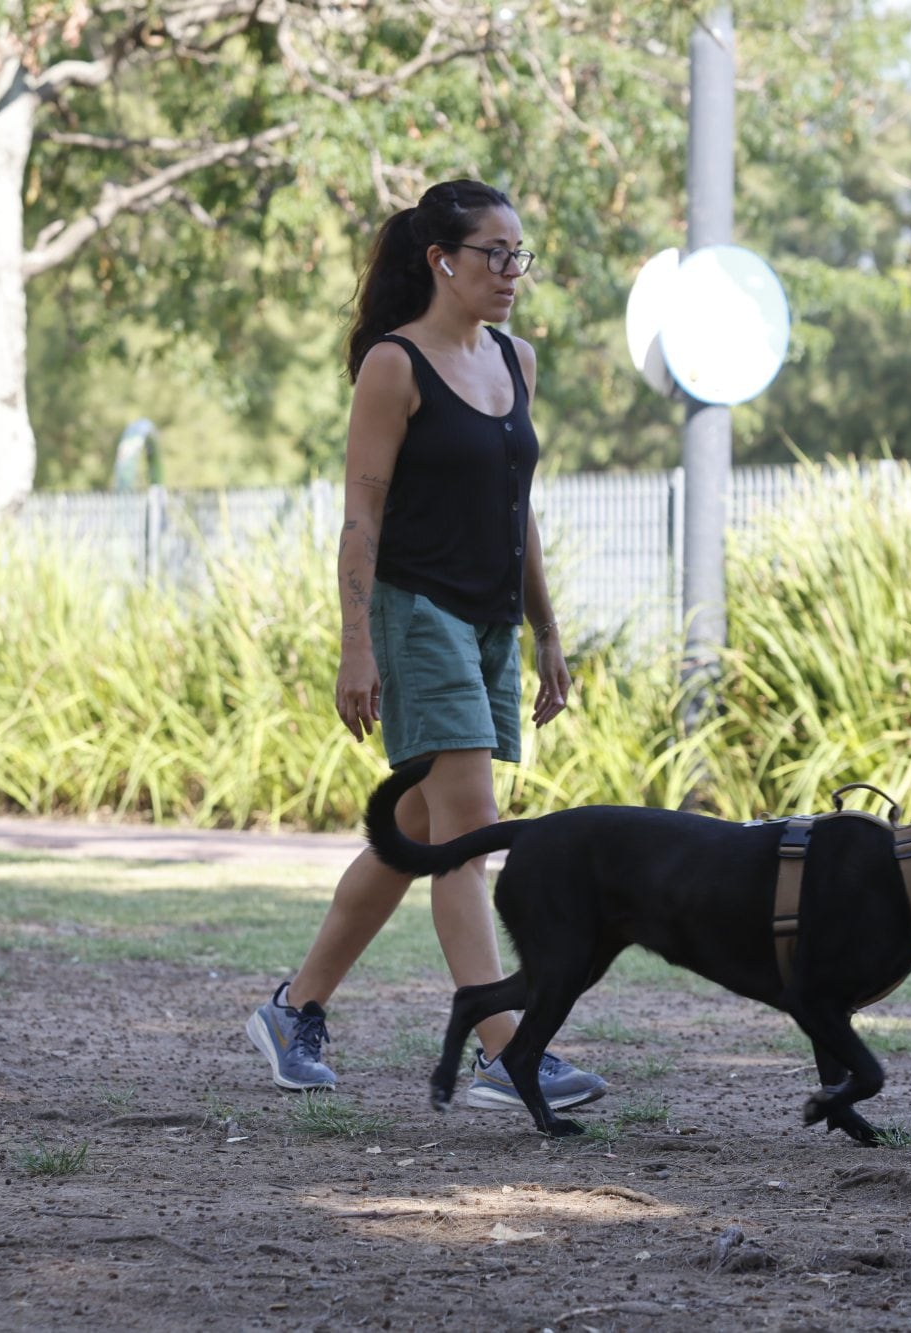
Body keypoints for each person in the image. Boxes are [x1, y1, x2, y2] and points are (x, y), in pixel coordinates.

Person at [244, 179, 607, 1113]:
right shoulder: (394, 366)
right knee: (467, 834)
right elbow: (360, 516)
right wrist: (354, 643)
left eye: (520, 254)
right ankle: (505, 1048)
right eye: (495, 253)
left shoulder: (517, 361)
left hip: (490, 622)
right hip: (415, 614)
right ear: (443, 260)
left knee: (414, 834)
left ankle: (296, 1008)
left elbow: (515, 509)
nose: (512, 272)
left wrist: (548, 629)